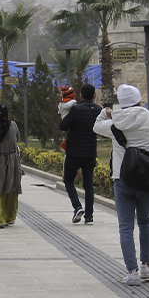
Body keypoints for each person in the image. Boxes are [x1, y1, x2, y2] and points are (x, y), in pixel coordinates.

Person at [93, 84, 149, 286]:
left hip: (122, 179)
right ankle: (146, 267)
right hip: (146, 179)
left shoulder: (114, 122)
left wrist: (106, 111)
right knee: (145, 222)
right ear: (138, 99)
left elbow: (96, 125)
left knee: (125, 227)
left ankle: (132, 271)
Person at [59, 84, 102, 224]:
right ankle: (89, 216)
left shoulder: (76, 109)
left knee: (68, 179)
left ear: (81, 96)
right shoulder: (98, 110)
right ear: (94, 96)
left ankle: (77, 207)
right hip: (90, 152)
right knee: (89, 184)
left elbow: (63, 126)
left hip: (74, 152)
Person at [58, 86, 77, 151]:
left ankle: (66, 141)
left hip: (66, 118)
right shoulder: (68, 103)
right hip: (67, 118)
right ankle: (65, 141)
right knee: (70, 131)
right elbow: (68, 105)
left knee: (70, 131)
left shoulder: (63, 102)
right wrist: (74, 101)